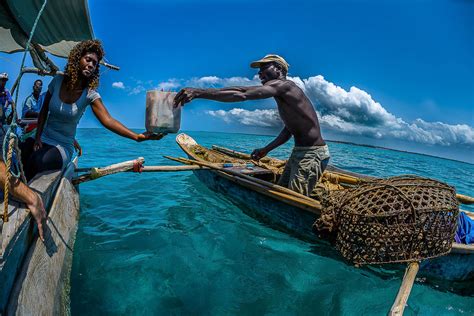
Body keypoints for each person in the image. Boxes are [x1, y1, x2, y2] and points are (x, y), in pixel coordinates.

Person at [174, 54, 329, 197]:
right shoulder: (282, 93)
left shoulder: (285, 86)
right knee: (283, 190)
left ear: (279, 69)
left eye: (264, 68)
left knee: (294, 200)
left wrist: (199, 93)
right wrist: (265, 150)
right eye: (259, 70)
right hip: (300, 153)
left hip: (311, 154)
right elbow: (288, 130)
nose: (259, 73)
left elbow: (243, 94)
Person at [23, 40, 163, 180]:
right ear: (77, 59)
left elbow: (108, 120)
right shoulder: (57, 81)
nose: (91, 65)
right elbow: (43, 112)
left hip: (63, 146)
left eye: (95, 64)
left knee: (37, 160)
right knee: (21, 151)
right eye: (88, 60)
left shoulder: (90, 94)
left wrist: (137, 137)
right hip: (44, 137)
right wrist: (37, 137)